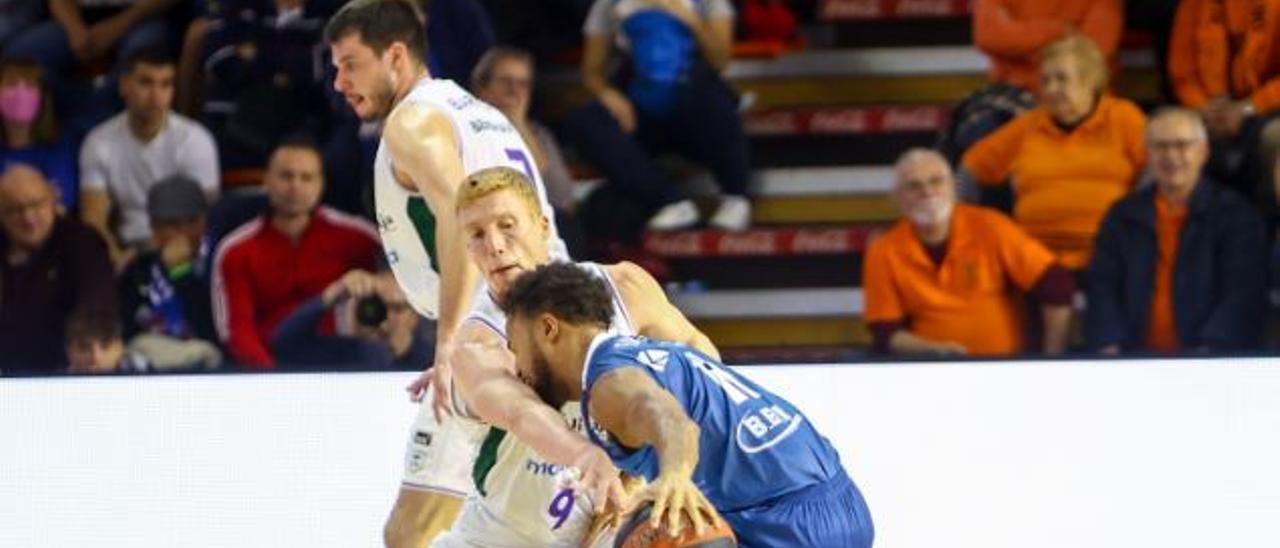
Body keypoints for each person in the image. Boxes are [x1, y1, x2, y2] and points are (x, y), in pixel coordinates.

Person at [323, 1, 568, 543]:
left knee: (412, 532)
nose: (338, 81)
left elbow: (465, 220)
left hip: (501, 328)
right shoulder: (478, 111)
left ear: (394, 56)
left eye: (349, 64)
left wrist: (452, 342)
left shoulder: (412, 122)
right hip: (552, 322)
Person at [431, 165, 721, 547]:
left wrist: (654, 457)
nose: (495, 245)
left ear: (543, 226)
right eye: (477, 234)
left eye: (507, 225)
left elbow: (702, 360)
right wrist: (587, 457)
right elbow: (523, 412)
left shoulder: (623, 287)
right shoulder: (477, 343)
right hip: (500, 536)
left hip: (607, 528)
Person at [500, 262, 875, 547]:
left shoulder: (607, 386)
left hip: (783, 519)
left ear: (548, 329)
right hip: (838, 497)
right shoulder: (652, 350)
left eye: (516, 347)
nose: (518, 369)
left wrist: (675, 474)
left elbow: (668, 418)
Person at [559, 0, 752, 232]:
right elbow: (592, 73)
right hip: (641, 110)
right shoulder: (610, 4)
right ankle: (669, 201)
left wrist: (683, 15)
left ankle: (735, 196)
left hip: (695, 112)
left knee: (710, 93)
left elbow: (720, 60)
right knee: (585, 122)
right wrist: (610, 95)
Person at [1086, 107, 1267, 354]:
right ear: (1147, 154)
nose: (1171, 156)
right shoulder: (1121, 216)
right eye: (1160, 146)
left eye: (1182, 145)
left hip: (1213, 363)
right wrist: (1109, 346)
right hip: (1131, 362)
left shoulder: (1236, 216)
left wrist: (1211, 352)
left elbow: (1241, 294)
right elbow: (1102, 286)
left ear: (1203, 152)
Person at [962, 34, 1146, 271]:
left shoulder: (1123, 117)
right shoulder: (1028, 125)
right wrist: (959, 226)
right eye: (1045, 80)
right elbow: (971, 167)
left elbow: (1158, 169)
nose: (1051, 89)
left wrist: (1137, 217)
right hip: (1037, 257)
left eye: (1061, 79)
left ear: (1090, 81)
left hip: (1110, 253)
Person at [864, 149, 1074, 356]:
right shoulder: (884, 250)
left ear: (953, 188)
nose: (927, 192)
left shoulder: (991, 227)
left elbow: (1056, 284)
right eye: (914, 186)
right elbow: (885, 332)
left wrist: (1052, 358)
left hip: (1005, 369)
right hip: (930, 373)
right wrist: (936, 351)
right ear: (898, 197)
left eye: (936, 181)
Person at [211, 136, 380, 368]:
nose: (295, 186)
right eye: (286, 176)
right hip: (267, 371)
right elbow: (237, 332)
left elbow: (403, 287)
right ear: (266, 180)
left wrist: (375, 282)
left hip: (343, 366)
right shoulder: (236, 251)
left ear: (321, 184)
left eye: (306, 178)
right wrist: (273, 381)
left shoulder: (360, 237)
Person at [79, 48, 219, 266]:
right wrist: (115, 259)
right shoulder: (98, 142)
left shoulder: (195, 140)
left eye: (166, 85)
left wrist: (148, 262)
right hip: (123, 250)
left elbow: (199, 222)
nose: (156, 95)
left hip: (179, 253)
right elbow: (94, 220)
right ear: (125, 85)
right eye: (146, 83)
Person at [0, 164, 116, 375]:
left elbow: (95, 310)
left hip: (64, 373)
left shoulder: (82, 242)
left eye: (36, 205)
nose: (28, 218)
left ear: (53, 200)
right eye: (15, 210)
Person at [471, 46, 585, 256]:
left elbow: (562, 195)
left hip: (538, 222)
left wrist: (518, 123)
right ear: (482, 87)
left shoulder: (538, 134)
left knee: (565, 222)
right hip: (492, 223)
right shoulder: (467, 131)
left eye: (522, 83)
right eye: (506, 81)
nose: (514, 90)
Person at [1168, 0, 1280, 206]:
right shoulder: (1194, 5)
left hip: (1268, 107)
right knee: (1166, 132)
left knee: (1274, 137)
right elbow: (1182, 70)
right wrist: (1204, 107)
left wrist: (1250, 107)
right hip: (1211, 108)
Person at [117, 174, 222, 369]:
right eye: (172, 224)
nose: (184, 231)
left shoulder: (221, 259)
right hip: (149, 367)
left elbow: (214, 330)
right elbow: (126, 330)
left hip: (208, 366)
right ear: (154, 227)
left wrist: (181, 272)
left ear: (204, 220)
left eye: (192, 221)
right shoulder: (138, 269)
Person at [269, 265, 435, 370]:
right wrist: (328, 298)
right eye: (375, 305)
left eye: (397, 308)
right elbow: (283, 345)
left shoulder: (433, 361)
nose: (385, 317)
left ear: (414, 316)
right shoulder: (344, 353)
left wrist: (402, 352)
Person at [0, 58, 78, 210]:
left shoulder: (60, 145)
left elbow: (60, 204)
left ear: (42, 97)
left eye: (29, 86)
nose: (20, 92)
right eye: (11, 84)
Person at [65, 308, 149, 374]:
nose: (95, 357)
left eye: (105, 347)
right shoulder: (58, 386)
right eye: (84, 348)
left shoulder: (143, 374)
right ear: (69, 351)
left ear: (120, 348)